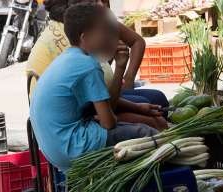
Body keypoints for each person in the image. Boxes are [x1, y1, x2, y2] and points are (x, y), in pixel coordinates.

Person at [30, 3, 158, 172]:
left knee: (134, 126)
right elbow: (108, 123)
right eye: (104, 32)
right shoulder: (88, 66)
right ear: (85, 37)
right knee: (146, 133)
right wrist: (120, 68)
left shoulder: (69, 57)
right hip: (72, 146)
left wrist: (137, 107)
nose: (109, 37)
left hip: (55, 148)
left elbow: (98, 107)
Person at [27, 0, 168, 129]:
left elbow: (102, 98)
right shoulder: (87, 63)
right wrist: (120, 68)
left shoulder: (76, 44)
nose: (102, 5)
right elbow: (108, 120)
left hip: (90, 105)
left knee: (155, 103)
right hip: (79, 120)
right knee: (155, 121)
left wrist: (135, 102)